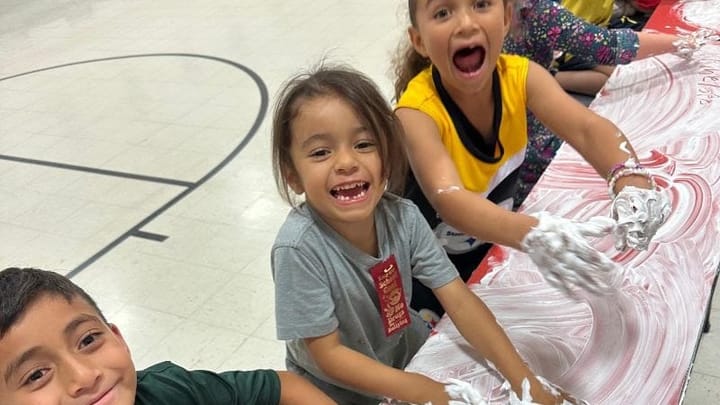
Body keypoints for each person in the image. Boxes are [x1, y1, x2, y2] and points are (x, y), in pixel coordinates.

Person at [270, 64, 576, 405]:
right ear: (293, 176)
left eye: (364, 144)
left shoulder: (403, 217)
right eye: (320, 152)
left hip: (407, 356)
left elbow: (458, 300)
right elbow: (329, 356)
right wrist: (429, 392)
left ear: (387, 155)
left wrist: (525, 380)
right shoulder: (298, 249)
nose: (346, 162)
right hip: (336, 393)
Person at [393, 0, 670, 319]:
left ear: (507, 17)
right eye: (443, 13)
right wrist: (534, 232)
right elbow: (450, 200)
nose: (466, 23)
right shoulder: (417, 114)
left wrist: (630, 180)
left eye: (481, 4)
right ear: (419, 41)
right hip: (425, 272)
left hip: (489, 245)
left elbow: (586, 128)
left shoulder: (522, 77)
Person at [0, 266, 336, 405]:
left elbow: (283, 386)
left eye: (88, 340)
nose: (85, 377)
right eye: (36, 375)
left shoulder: (166, 391)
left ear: (118, 337)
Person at [503, 0, 681, 207]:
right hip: (524, 160)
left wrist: (628, 177)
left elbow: (587, 128)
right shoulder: (532, 14)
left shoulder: (526, 73)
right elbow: (608, 46)